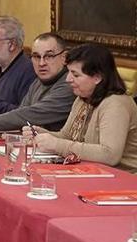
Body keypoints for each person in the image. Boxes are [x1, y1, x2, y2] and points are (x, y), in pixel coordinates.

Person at [28, 44, 137, 173]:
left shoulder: (116, 104)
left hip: (122, 179)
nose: (68, 79)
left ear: (97, 77)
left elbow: (110, 155)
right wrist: (43, 134)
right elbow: (67, 136)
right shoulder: (83, 97)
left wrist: (56, 145)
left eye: (75, 75)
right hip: (90, 172)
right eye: (68, 72)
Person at [0, 33, 76, 134]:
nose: (41, 63)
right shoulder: (39, 81)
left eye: (49, 56)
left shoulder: (69, 85)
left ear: (64, 57)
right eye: (36, 56)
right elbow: (19, 118)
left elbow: (27, 116)